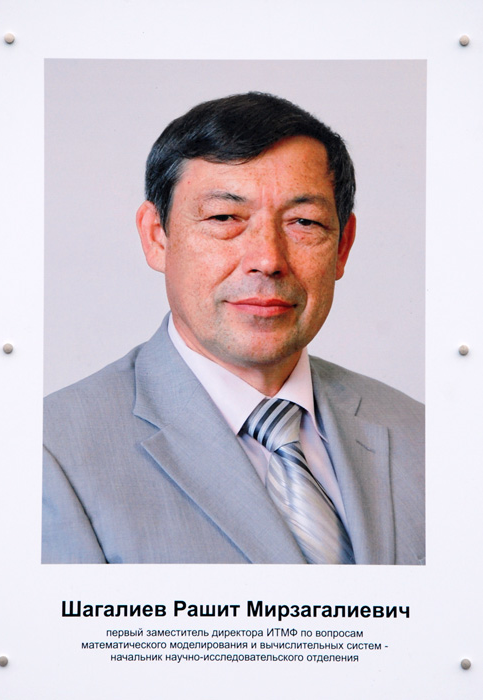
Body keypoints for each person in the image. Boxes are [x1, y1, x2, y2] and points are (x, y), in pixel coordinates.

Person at [42, 92, 424, 565]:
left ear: (342, 245)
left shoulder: (425, 435)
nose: (268, 259)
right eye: (224, 217)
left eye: (304, 222)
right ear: (156, 236)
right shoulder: (50, 452)